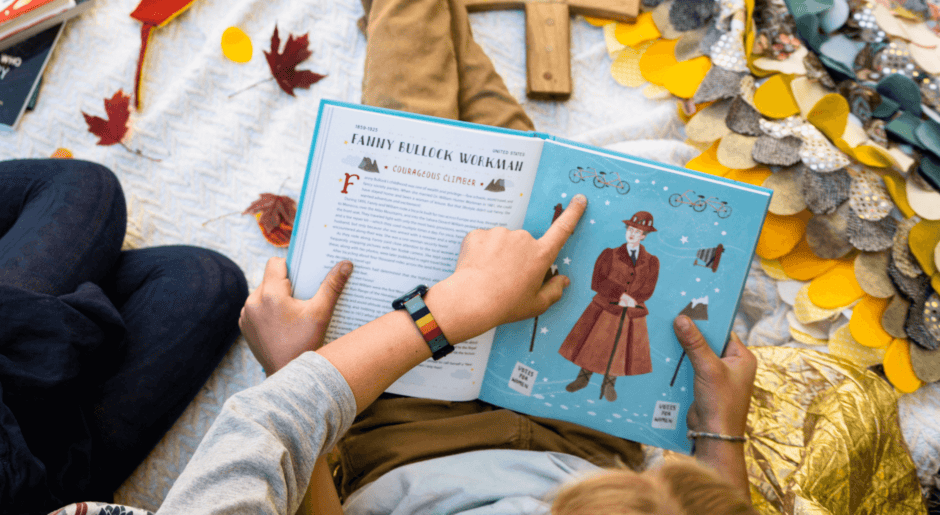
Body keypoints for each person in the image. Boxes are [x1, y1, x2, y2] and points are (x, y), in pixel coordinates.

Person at [154, 193, 758, 515]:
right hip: (588, 440)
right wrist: (719, 433)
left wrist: (449, 309)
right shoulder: (631, 495)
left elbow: (272, 432)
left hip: (406, 443)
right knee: (535, 195)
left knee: (420, 126)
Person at [0, 158, 248, 515]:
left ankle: (54, 316)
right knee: (206, 280)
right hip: (47, 482)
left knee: (88, 190)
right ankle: (55, 317)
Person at [560, 211, 661, 402]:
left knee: (620, 349)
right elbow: (597, 281)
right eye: (630, 229)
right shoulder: (610, 254)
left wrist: (633, 299)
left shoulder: (652, 262)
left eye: (637, 231)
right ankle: (582, 379)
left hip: (630, 313)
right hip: (605, 309)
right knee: (595, 344)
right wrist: (618, 294)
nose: (632, 234)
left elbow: (648, 288)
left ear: (644, 236)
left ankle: (609, 384)